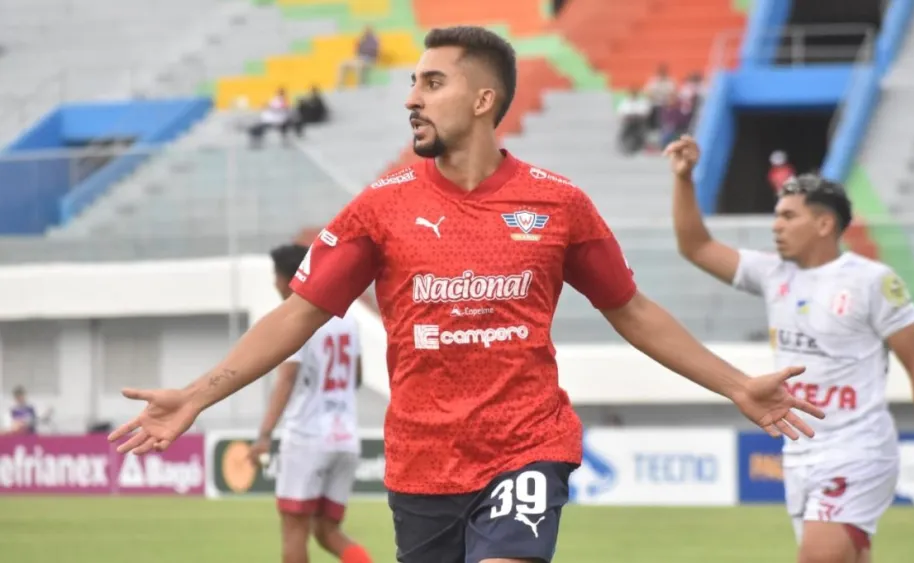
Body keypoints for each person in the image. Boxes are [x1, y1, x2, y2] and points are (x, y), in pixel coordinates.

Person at [109, 27, 826, 563]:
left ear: (484, 100)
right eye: (412, 83)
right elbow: (298, 313)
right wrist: (199, 394)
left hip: (526, 446)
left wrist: (736, 383)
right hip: (421, 463)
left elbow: (632, 310)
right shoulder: (378, 208)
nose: (410, 98)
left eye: (430, 83)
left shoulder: (559, 205)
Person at [666, 135, 914, 563]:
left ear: (824, 225)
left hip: (857, 451)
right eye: (776, 216)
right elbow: (696, 246)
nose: (776, 226)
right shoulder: (771, 273)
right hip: (801, 454)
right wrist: (685, 179)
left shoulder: (872, 281)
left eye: (788, 216)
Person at [247, 244, 372, 563]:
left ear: (289, 278)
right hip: (345, 437)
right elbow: (356, 376)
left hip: (307, 437)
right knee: (328, 531)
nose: (274, 284)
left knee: (294, 529)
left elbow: (286, 380)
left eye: (275, 277)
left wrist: (264, 435)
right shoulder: (348, 319)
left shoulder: (294, 321)